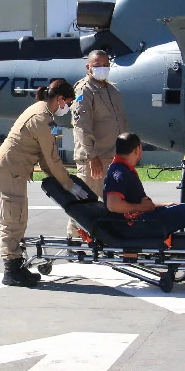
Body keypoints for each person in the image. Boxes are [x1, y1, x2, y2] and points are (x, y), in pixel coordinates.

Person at [0, 79, 80, 287]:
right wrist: (68, 184)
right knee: (13, 219)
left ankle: (17, 265)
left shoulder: (42, 113)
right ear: (60, 99)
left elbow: (44, 157)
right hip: (9, 170)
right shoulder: (41, 118)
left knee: (19, 217)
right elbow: (51, 157)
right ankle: (11, 270)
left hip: (13, 170)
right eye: (67, 103)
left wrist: (62, 181)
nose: (66, 108)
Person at [69, 49, 129, 238]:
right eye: (97, 65)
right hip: (94, 159)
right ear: (88, 67)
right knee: (84, 202)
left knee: (113, 202)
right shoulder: (84, 90)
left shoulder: (112, 90)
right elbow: (81, 126)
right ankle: (74, 240)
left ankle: (108, 238)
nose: (102, 69)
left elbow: (120, 123)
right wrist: (92, 156)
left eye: (105, 65)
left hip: (113, 157)